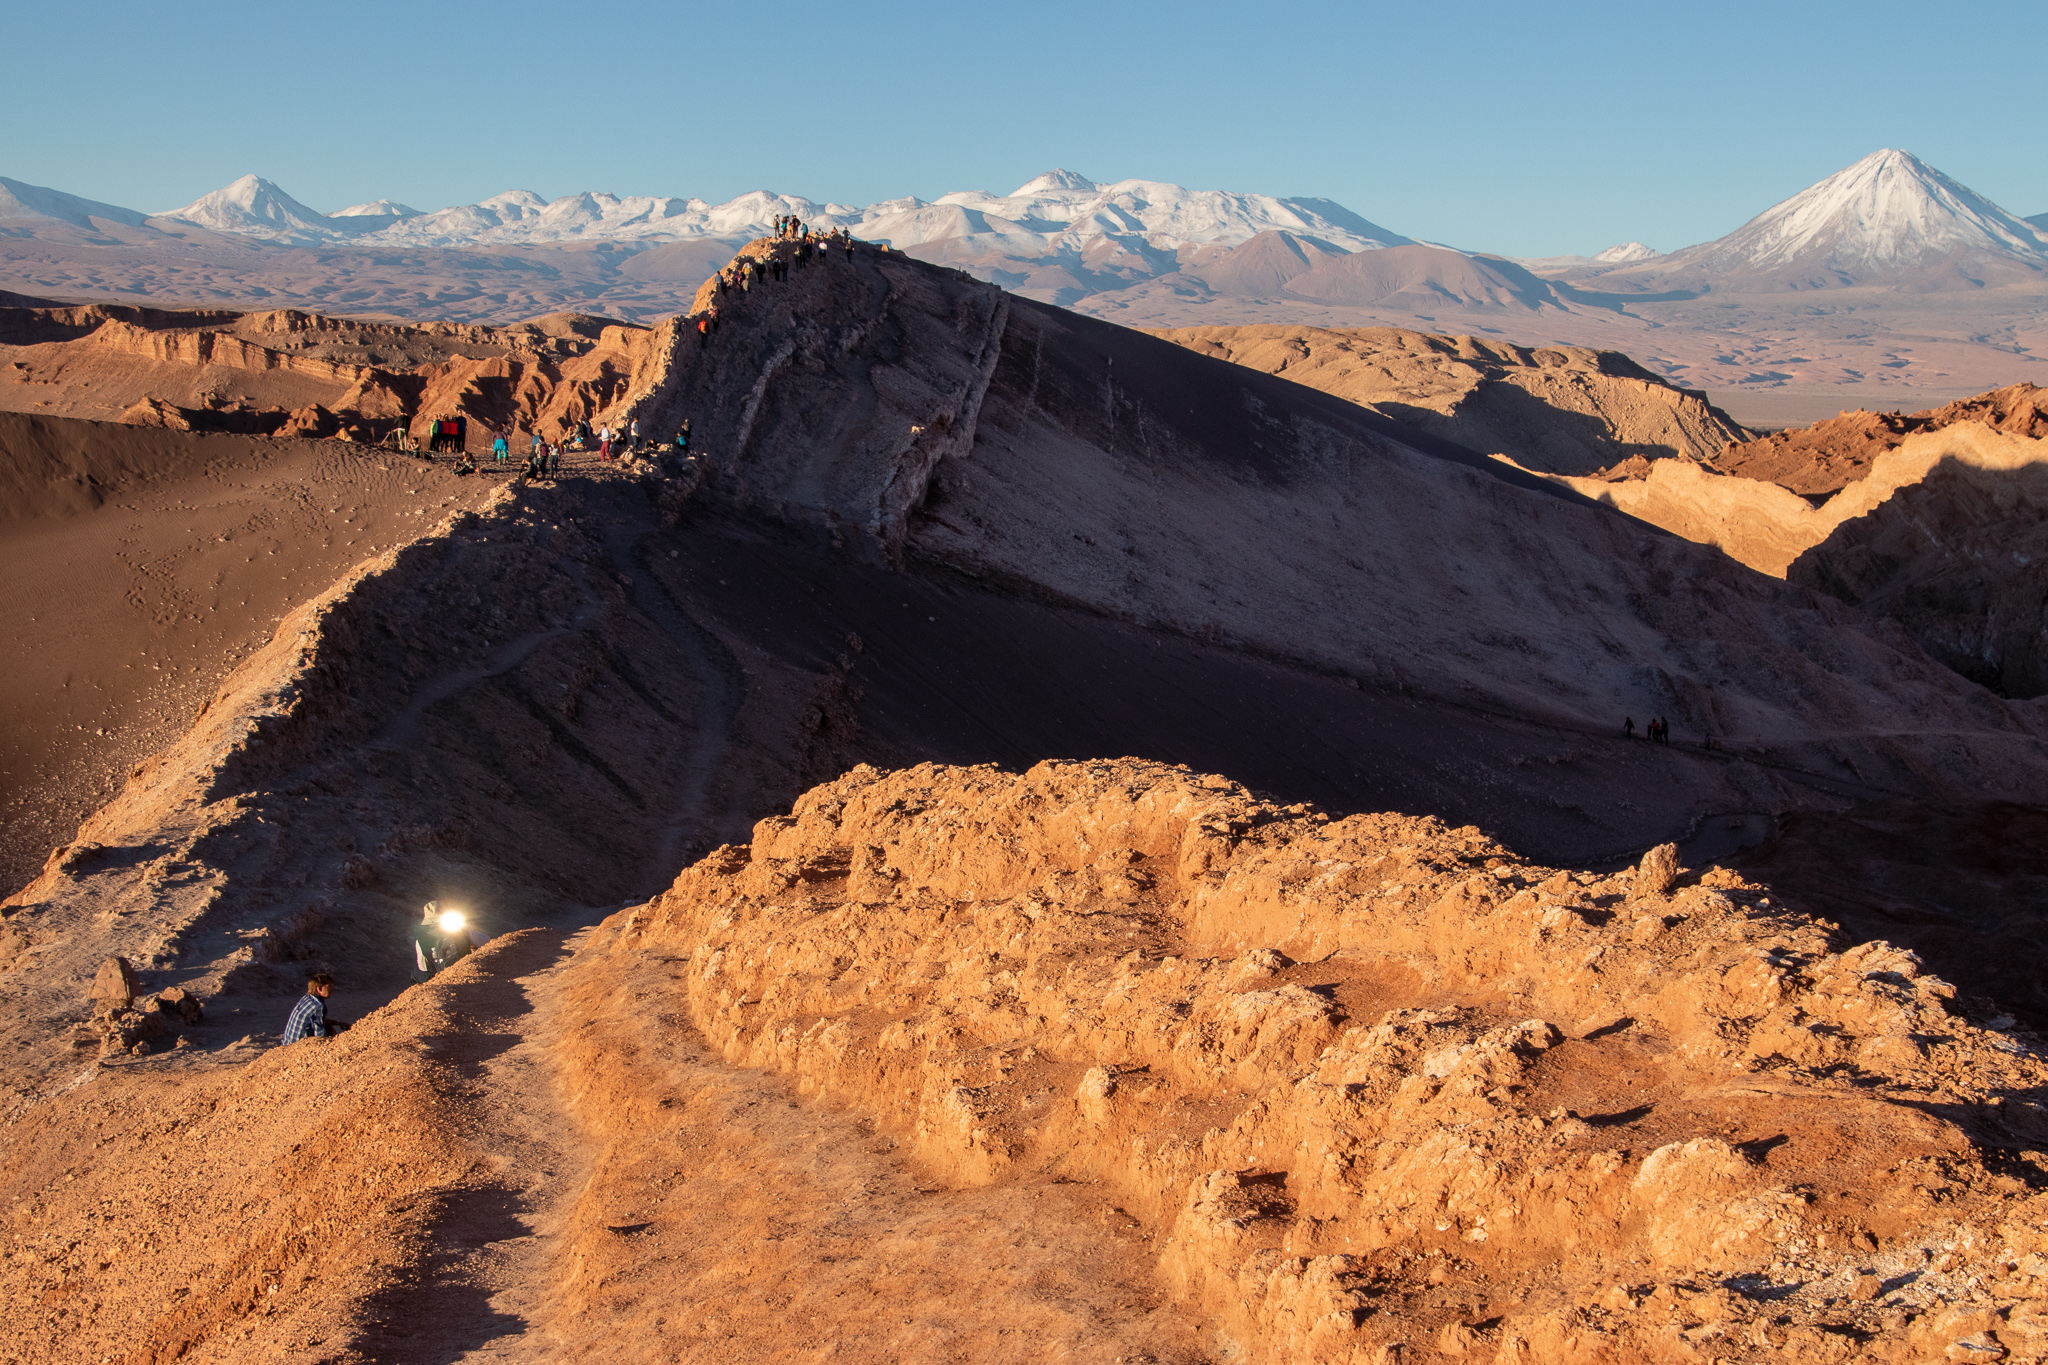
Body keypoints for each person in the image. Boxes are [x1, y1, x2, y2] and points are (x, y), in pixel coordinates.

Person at [281, 973, 348, 1043]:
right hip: (298, 1045)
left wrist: (339, 1023)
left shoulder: (306, 998)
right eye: (329, 987)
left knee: (328, 1026)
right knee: (329, 1030)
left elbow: (319, 1020)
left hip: (287, 1042)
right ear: (319, 988)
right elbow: (319, 1033)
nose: (332, 990)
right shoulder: (318, 1006)